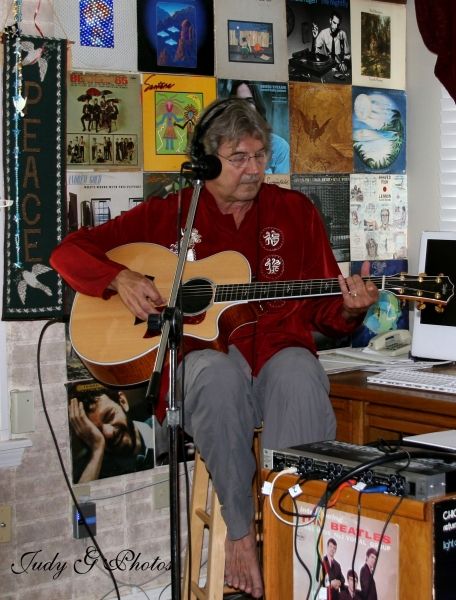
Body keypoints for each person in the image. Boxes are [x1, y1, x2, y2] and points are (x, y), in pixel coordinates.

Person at [51, 98, 379, 598]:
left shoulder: (295, 212)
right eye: (238, 158)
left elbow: (326, 315)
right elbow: (67, 252)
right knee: (215, 373)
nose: (253, 169)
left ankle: (293, 538)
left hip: (276, 354)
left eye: (260, 156)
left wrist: (352, 311)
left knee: (299, 372)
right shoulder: (171, 214)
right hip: (202, 365)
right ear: (205, 161)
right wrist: (119, 278)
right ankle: (241, 534)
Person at [69, 387, 154, 483]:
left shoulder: (162, 426)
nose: (108, 433)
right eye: (96, 431)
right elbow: (82, 493)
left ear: (123, 402)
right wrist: (97, 450)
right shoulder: (88, 470)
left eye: (109, 416)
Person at [229, 79, 290, 174]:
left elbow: (282, 182)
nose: (245, 107)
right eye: (239, 103)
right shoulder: (225, 145)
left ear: (257, 105)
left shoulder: (279, 147)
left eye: (249, 101)